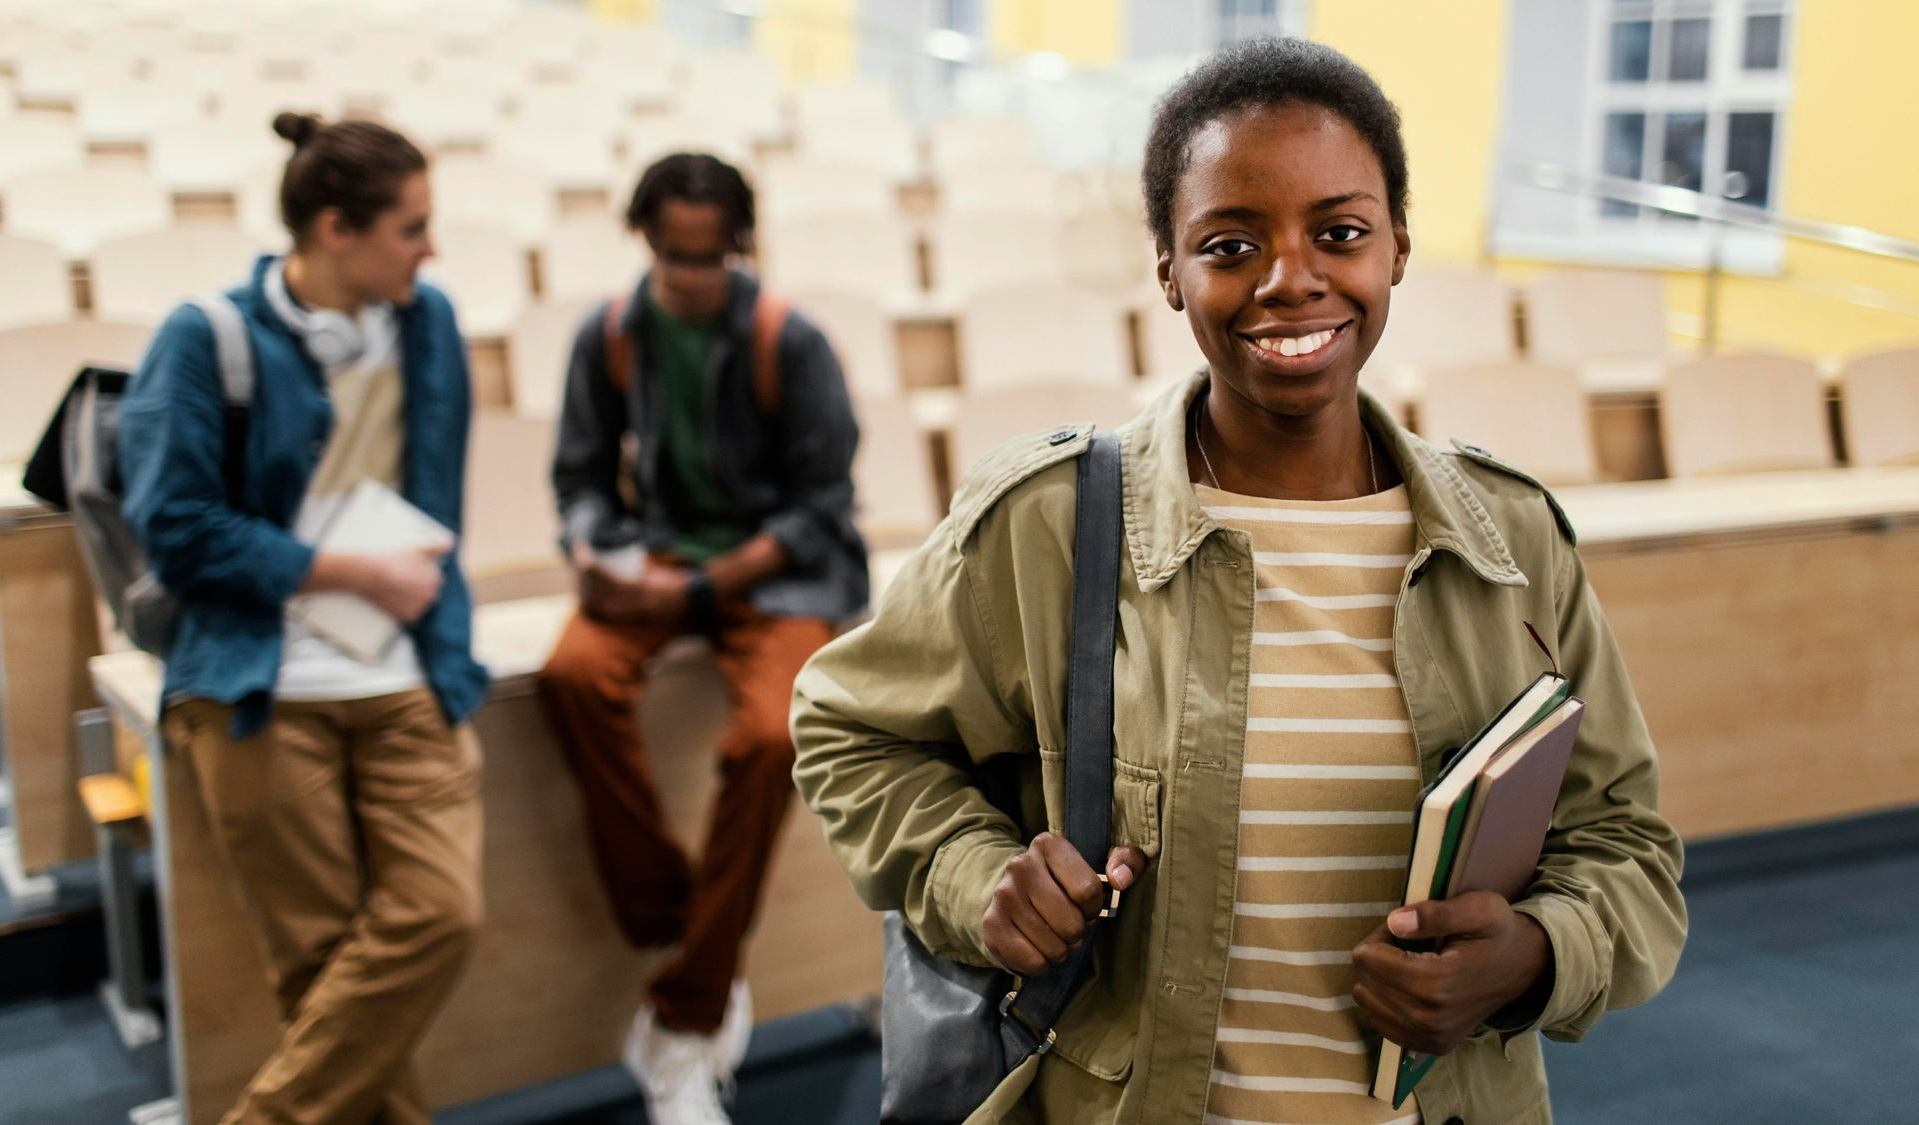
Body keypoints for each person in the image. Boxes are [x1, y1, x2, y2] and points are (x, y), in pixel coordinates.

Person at [792, 38, 1687, 1125]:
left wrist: (1539, 954)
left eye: (1339, 232)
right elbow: (849, 729)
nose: (1289, 279)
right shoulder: (1050, 525)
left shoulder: (1509, 539)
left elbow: (1623, 845)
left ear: (1396, 246)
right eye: (1228, 244)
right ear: (1168, 270)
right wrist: (972, 875)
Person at [121, 113, 489, 1125]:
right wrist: (347, 571)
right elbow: (176, 530)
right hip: (257, 686)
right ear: (338, 228)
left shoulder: (430, 323)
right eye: (411, 227)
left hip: (405, 673)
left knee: (440, 916)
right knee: (324, 971)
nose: (430, 247)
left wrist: (406, 594)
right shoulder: (204, 336)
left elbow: (437, 492)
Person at [539, 152, 866, 1124]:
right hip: (658, 559)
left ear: (736, 248)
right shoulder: (605, 334)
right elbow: (580, 479)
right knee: (566, 676)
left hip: (771, 575)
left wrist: (700, 588)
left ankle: (687, 1007)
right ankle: (679, 925)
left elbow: (822, 507)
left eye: (707, 258)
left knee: (771, 737)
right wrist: (593, 553)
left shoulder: (789, 340)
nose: (687, 278)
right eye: (671, 257)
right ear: (644, 242)